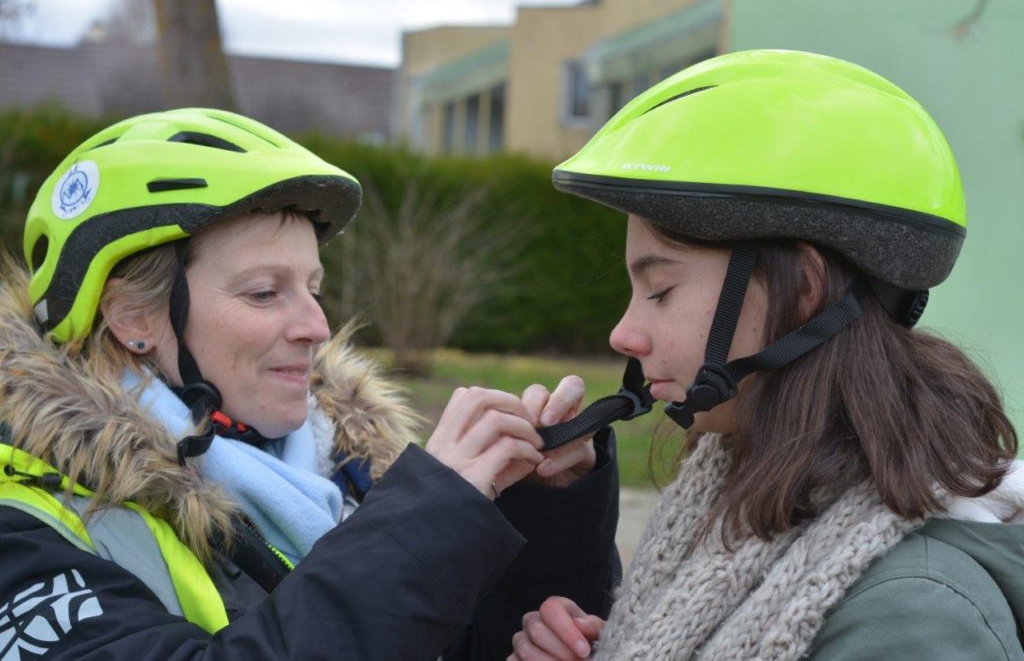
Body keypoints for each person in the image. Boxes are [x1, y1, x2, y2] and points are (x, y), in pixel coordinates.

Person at [0, 108, 620, 660]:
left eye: (314, 289)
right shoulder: (22, 530)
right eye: (265, 292)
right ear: (133, 317)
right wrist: (426, 518)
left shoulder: (346, 469)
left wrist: (551, 515)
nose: (316, 326)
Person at [509, 49, 1024, 660]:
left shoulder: (911, 619)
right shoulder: (729, 521)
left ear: (803, 290)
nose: (624, 334)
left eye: (660, 290)